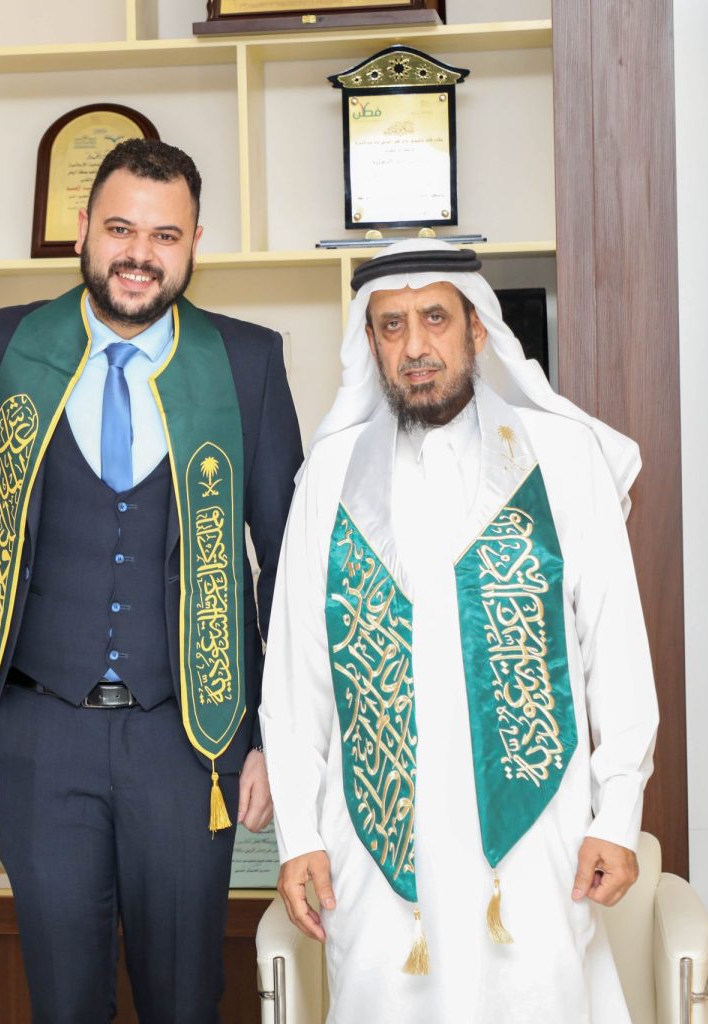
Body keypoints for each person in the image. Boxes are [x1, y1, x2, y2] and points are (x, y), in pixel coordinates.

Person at [0, 139, 304, 1023]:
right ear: (82, 231)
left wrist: (272, 738)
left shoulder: (247, 362)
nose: (140, 254)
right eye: (120, 229)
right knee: (63, 1001)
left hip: (190, 741)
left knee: (185, 997)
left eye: (165, 235)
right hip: (40, 732)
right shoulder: (3, 345)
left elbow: (288, 564)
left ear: (194, 244)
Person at [261, 240, 661, 1022]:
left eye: (435, 319)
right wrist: (299, 834)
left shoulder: (561, 457)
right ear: (370, 341)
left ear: (478, 329)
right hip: (376, 846)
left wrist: (617, 813)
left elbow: (615, 651)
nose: (415, 345)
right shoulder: (332, 475)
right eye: (392, 325)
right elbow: (296, 678)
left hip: (535, 839)